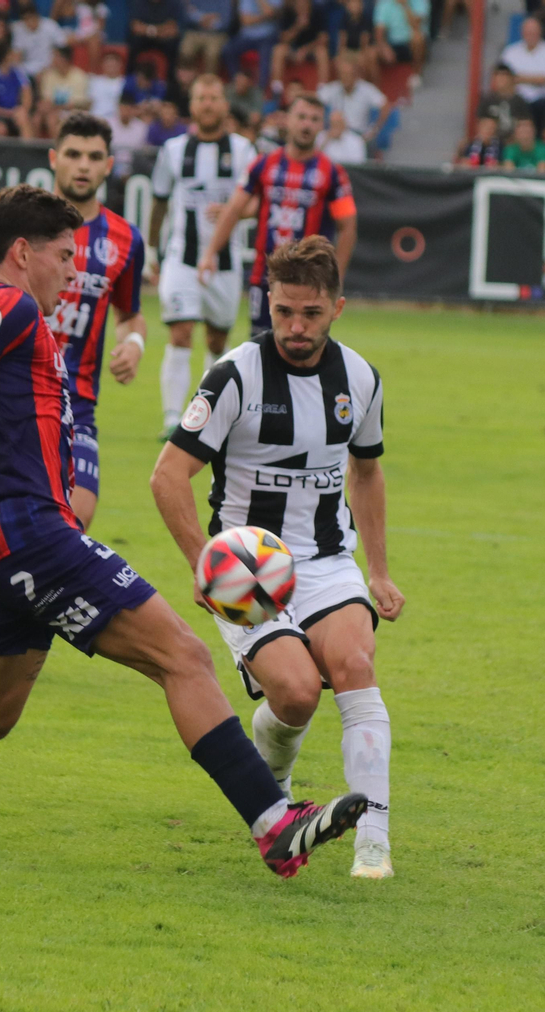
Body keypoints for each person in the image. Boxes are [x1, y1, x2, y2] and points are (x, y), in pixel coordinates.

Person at [0, 184, 367, 882]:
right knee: (184, 656)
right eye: (63, 254)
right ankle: (274, 823)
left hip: (10, 546)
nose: (75, 272)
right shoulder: (9, 304)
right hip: (32, 536)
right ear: (23, 253)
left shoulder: (18, 315)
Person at [152, 234, 402, 880]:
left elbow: (367, 473)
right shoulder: (234, 374)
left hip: (325, 558)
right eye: (283, 311)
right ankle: (278, 786)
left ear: (337, 308)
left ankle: (373, 840)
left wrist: (377, 569)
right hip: (248, 567)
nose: (294, 327)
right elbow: (167, 476)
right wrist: (205, 569)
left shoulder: (360, 378)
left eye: (310, 314)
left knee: (353, 661)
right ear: (267, 302)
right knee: (294, 695)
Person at [0, 114, 148, 668]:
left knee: (69, 521)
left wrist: (134, 346)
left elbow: (133, 315)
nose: (83, 165)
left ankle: (17, 639)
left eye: (94, 156)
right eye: (73, 154)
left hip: (78, 403)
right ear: (54, 158)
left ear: (109, 164)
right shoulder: (18, 231)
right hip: (10, 403)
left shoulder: (125, 239)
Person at [198, 94, 358, 357]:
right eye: (301, 117)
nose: (307, 125)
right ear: (288, 121)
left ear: (322, 126)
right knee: (261, 349)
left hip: (313, 282)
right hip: (266, 278)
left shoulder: (332, 173)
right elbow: (234, 209)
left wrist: (335, 278)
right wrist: (209, 253)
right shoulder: (264, 164)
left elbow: (348, 227)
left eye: (314, 119)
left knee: (306, 350)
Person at [149, 75, 259, 436]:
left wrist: (234, 211)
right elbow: (159, 200)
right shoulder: (174, 150)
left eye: (214, 97)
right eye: (201, 98)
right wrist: (152, 248)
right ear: (192, 106)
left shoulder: (244, 151)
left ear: (225, 105)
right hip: (182, 258)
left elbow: (259, 202)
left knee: (216, 340)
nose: (208, 104)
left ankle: (208, 415)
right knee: (180, 332)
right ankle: (170, 419)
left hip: (226, 263)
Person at [318, 54, 395, 153]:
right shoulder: (334, 88)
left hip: (358, 134)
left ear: (355, 75)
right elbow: (315, 99)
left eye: (347, 75)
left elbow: (385, 106)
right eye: (342, 75)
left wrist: (374, 130)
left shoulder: (367, 89)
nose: (344, 78)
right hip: (336, 132)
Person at [500, 16, 545, 128]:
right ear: (522, 32)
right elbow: (504, 78)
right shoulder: (510, 52)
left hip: (541, 102)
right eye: (528, 32)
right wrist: (533, 79)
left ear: (540, 32)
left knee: (543, 106)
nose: (531, 35)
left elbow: (544, 80)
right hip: (515, 99)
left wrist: (517, 78)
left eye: (534, 32)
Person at [0, 42, 35, 137]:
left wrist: (23, 109)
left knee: (23, 118)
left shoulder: (18, 72)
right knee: (0, 128)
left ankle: (27, 150)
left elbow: (27, 92)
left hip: (14, 114)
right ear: (5, 57)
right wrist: (9, 113)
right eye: (11, 53)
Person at [224, 0, 284, 87]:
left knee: (266, 57)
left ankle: (260, 91)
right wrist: (265, 17)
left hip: (267, 36)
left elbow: (270, 12)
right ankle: (237, 83)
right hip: (246, 36)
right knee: (228, 50)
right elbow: (246, 21)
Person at [271, 0, 331, 87]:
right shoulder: (287, 12)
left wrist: (305, 50)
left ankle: (323, 88)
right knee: (278, 50)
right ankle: (276, 89)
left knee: (322, 52)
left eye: (304, 3)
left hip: (311, 49)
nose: (301, 6)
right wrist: (298, 27)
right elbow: (283, 39)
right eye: (298, 3)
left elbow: (323, 39)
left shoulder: (318, 11)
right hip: (292, 49)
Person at [37, 45, 91, 135]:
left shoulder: (79, 76)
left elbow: (77, 103)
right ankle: (34, 148)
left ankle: (57, 148)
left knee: (52, 119)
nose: (52, 60)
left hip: (74, 111)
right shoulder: (49, 75)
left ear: (64, 59)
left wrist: (55, 106)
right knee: (37, 118)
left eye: (55, 57)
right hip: (54, 110)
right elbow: (47, 100)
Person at [128, 0, 185, 76]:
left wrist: (147, 29)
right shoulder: (138, 3)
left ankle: (170, 83)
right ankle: (131, 79)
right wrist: (159, 30)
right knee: (134, 42)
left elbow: (172, 29)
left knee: (174, 45)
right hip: (143, 39)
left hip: (165, 40)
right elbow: (135, 27)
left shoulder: (174, 3)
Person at [12, 3, 69, 78]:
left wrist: (49, 68)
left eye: (30, 18)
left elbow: (62, 49)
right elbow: (16, 54)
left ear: (37, 16)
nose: (28, 22)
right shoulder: (19, 30)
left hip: (49, 67)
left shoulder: (50, 26)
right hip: (28, 69)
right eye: (25, 19)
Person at [479, 64, 532, 141]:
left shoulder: (519, 101)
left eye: (504, 76)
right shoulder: (487, 100)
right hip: (492, 142)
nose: (500, 79)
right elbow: (481, 124)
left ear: (511, 78)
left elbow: (526, 124)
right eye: (498, 76)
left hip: (514, 143)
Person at [181, 0, 234, 73]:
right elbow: (187, 15)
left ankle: (208, 81)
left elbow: (226, 22)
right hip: (195, 31)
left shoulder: (224, 1)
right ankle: (189, 80)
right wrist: (200, 19)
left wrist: (211, 23)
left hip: (216, 34)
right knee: (185, 51)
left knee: (212, 54)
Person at [374, 0, 429, 69]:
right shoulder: (384, 4)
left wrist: (405, 6)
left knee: (418, 39)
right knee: (373, 52)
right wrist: (384, 47)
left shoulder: (418, 2)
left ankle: (416, 75)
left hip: (410, 41)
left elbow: (416, 26)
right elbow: (379, 31)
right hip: (392, 42)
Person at [89, 51, 127, 120]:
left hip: (117, 121)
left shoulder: (125, 83)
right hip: (96, 118)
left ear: (120, 65)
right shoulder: (94, 81)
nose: (111, 67)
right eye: (108, 64)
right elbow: (89, 103)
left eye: (113, 65)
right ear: (102, 65)